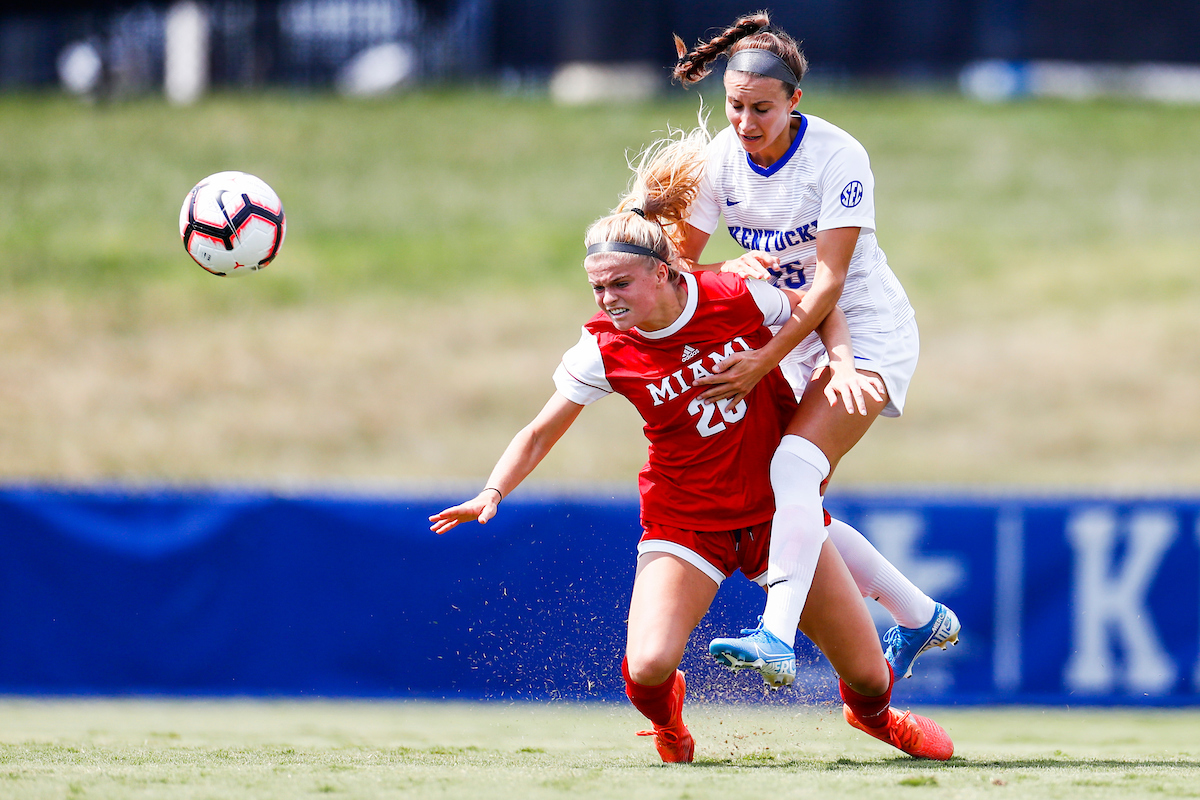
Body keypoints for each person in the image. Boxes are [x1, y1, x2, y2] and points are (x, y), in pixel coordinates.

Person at [429, 130, 954, 764]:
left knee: (870, 678)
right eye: (597, 288)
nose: (607, 300)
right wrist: (492, 491)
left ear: (664, 270)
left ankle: (877, 718)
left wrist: (837, 359)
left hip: (769, 515)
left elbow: (819, 306)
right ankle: (671, 723)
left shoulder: (736, 295)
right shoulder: (603, 348)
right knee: (647, 666)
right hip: (686, 522)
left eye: (619, 283)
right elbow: (539, 429)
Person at [668, 12, 960, 686]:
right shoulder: (718, 164)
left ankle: (776, 637)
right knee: (793, 503)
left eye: (761, 109)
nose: (745, 122)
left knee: (793, 469)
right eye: (735, 107)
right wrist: (729, 272)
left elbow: (829, 281)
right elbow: (685, 269)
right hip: (790, 333)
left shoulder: (838, 156)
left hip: (865, 332)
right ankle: (919, 616)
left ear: (795, 100)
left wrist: (765, 363)